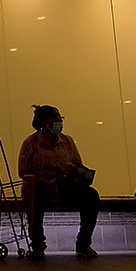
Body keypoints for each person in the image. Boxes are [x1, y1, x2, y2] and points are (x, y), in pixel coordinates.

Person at [17, 104, 99, 259]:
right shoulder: (31, 143)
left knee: (91, 196)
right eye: (55, 118)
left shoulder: (68, 141)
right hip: (41, 185)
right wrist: (45, 180)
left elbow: (77, 164)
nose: (59, 121)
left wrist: (69, 170)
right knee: (36, 198)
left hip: (65, 184)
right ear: (45, 121)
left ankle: (83, 243)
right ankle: (38, 245)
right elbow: (23, 172)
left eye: (59, 118)